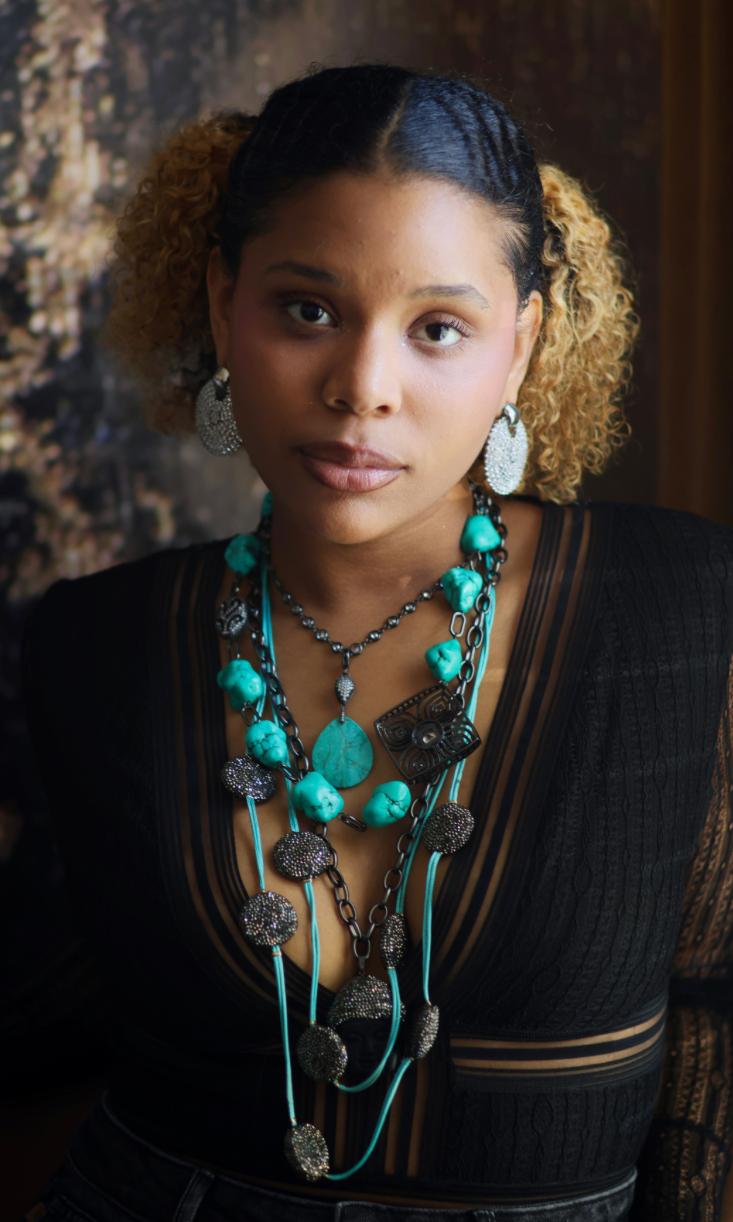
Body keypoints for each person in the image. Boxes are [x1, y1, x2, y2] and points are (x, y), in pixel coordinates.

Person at [21, 65, 733, 1222]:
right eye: (307, 309)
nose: (361, 387)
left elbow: (716, 1011)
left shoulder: (685, 615)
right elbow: (52, 994)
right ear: (219, 304)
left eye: (437, 329)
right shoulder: (98, 642)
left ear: (521, 347)